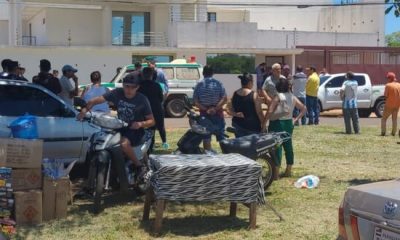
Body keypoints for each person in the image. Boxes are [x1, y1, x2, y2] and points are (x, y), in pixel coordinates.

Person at [78, 72, 155, 176]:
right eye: (127, 86)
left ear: (138, 87)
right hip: (120, 126)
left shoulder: (142, 99)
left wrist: (140, 124)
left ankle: (139, 166)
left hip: (135, 130)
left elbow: (152, 121)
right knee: (100, 141)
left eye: (133, 87)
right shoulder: (117, 93)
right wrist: (84, 110)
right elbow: (94, 100)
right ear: (123, 85)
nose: (129, 89)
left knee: (124, 143)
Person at [262, 78, 306, 179]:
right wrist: (295, 120)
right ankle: (288, 170)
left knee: (277, 147)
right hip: (288, 123)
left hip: (277, 123)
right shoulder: (292, 97)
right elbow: (304, 109)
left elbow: (270, 111)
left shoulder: (278, 97)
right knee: (288, 146)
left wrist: (264, 124)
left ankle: (276, 173)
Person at [193, 65, 227, 151]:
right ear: (213, 73)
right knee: (222, 138)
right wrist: (215, 109)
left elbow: (195, 101)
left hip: (204, 115)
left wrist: (205, 109)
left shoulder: (199, 85)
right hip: (218, 114)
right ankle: (226, 155)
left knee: (206, 138)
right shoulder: (218, 83)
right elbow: (224, 98)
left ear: (203, 73)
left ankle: (208, 157)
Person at [138, 67, 169, 151]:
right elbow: (161, 98)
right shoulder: (156, 85)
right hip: (157, 109)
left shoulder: (139, 86)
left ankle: (150, 145)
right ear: (152, 75)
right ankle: (165, 143)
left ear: (143, 75)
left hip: (145, 110)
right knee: (161, 127)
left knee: (149, 128)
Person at [229, 73, 264, 137]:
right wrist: (264, 125)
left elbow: (229, 110)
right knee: (253, 146)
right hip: (253, 127)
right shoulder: (254, 95)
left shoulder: (235, 94)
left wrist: (236, 114)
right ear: (250, 82)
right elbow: (259, 112)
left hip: (238, 125)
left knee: (240, 146)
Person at [381, 72, 400, 136]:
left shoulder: (388, 85)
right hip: (397, 105)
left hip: (389, 104)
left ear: (390, 78)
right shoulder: (399, 85)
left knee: (384, 119)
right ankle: (393, 133)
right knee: (394, 119)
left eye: (387, 78)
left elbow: (385, 96)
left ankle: (383, 132)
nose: (387, 79)